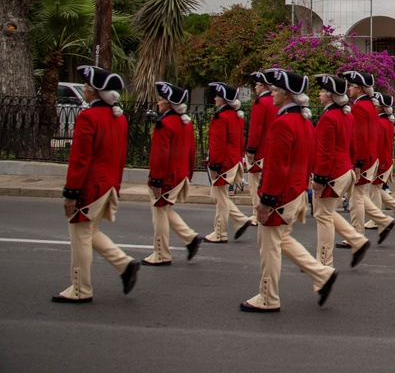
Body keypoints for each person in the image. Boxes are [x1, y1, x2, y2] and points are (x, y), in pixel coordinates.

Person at [241, 68, 336, 312]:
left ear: (286, 95)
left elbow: (276, 167)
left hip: (280, 195)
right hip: (295, 192)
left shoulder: (283, 123)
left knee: (270, 247)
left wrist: (266, 199)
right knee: (281, 240)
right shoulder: (303, 121)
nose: (271, 95)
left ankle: (268, 297)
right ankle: (321, 273)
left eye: (274, 91)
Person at [52, 65, 140, 303]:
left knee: (79, 235)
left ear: (95, 91)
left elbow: (80, 159)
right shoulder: (118, 118)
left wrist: (71, 192)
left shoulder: (88, 117)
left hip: (90, 187)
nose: (85, 91)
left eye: (87, 87)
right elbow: (121, 157)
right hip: (108, 185)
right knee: (90, 232)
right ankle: (124, 264)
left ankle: (81, 289)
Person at [311, 74, 370, 272]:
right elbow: (353, 143)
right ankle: (356, 240)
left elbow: (325, 152)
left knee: (323, 217)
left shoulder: (329, 117)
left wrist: (319, 178)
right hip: (345, 170)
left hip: (332, 173)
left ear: (329, 96)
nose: (319, 94)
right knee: (326, 213)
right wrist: (354, 166)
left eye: (322, 91)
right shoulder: (346, 115)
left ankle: (324, 263)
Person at [142, 81, 201, 266]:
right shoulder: (185, 123)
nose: (158, 102)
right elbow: (192, 150)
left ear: (168, 103)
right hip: (181, 174)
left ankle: (161, 253)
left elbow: (159, 156)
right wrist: (188, 174)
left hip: (167, 176)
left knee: (159, 211)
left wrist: (156, 180)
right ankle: (189, 237)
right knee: (165, 209)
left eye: (161, 99)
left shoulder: (164, 123)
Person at [341, 71, 395, 244]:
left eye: (351, 86)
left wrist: (357, 162)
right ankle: (382, 221)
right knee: (358, 195)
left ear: (359, 88)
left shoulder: (359, 107)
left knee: (356, 197)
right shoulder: (369, 106)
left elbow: (359, 137)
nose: (349, 89)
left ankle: (357, 234)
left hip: (363, 158)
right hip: (370, 157)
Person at [204, 82, 252, 244]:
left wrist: (215, 165)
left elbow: (217, 144)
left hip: (223, 162)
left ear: (224, 100)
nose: (215, 98)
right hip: (233, 160)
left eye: (218, 96)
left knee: (220, 198)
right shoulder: (235, 115)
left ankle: (220, 232)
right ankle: (237, 222)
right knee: (222, 195)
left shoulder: (221, 117)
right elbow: (240, 140)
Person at [370, 92, 395, 224]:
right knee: (376, 189)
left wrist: (375, 164)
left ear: (380, 107)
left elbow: (378, 146)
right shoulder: (387, 121)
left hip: (381, 161)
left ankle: (376, 219)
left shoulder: (380, 122)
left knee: (374, 190)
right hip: (386, 159)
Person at [246, 71, 277, 226]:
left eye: (257, 84)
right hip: (273, 149)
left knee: (256, 184)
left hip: (261, 151)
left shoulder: (261, 103)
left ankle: (256, 213)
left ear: (263, 85)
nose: (255, 87)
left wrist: (251, 149)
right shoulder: (276, 101)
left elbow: (255, 129)